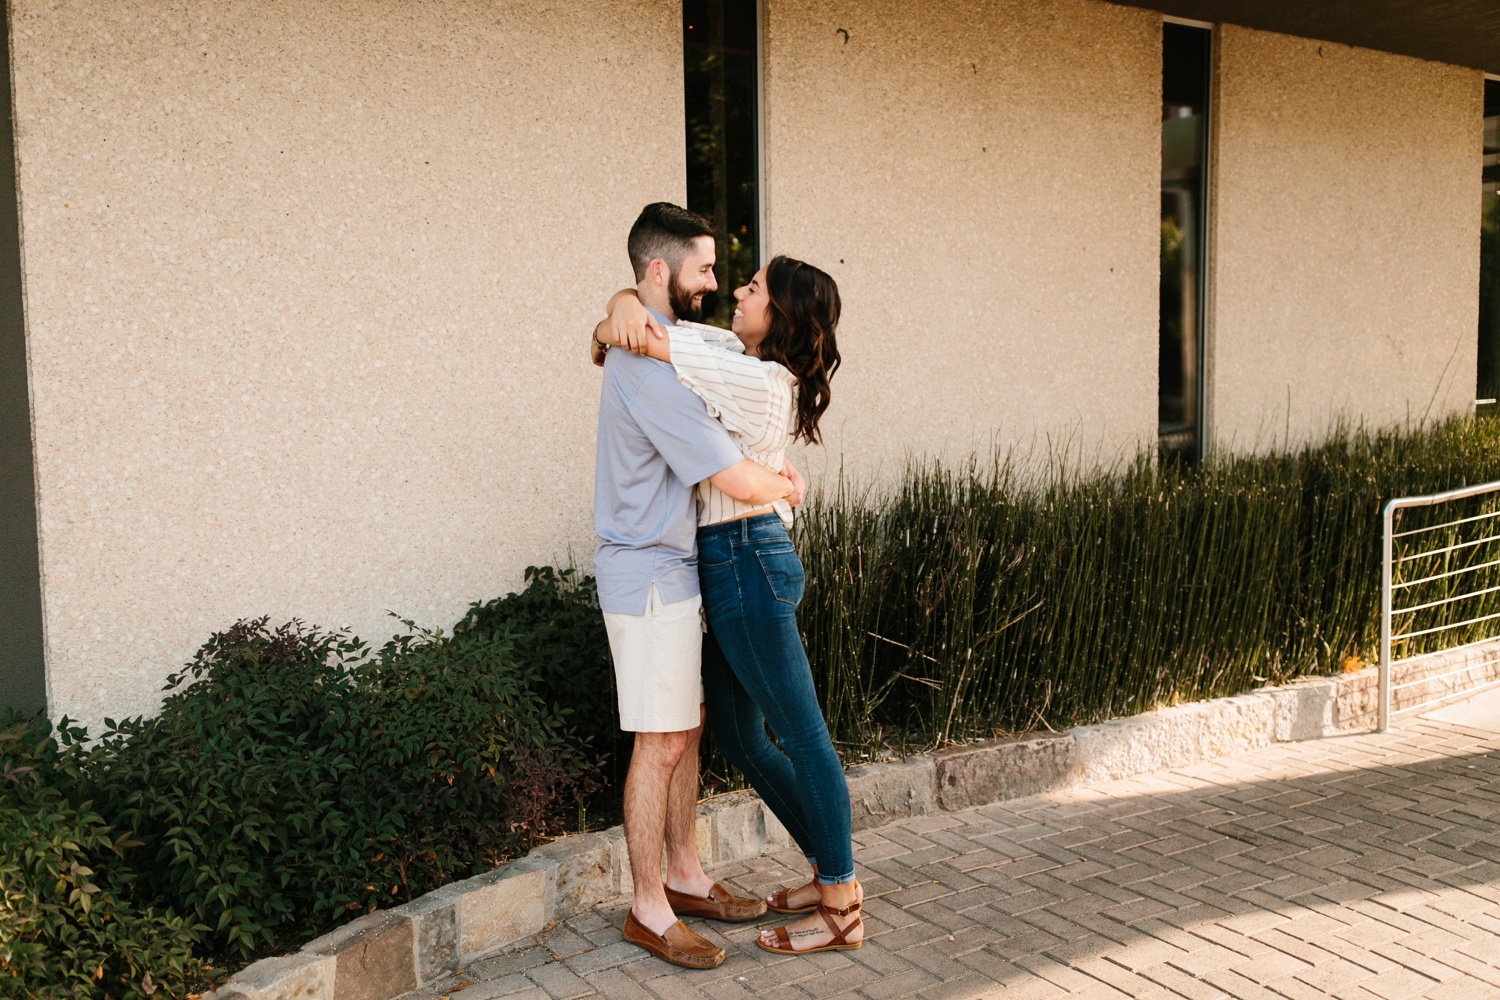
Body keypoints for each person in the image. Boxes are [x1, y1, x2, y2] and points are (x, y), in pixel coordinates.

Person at [594, 253, 860, 955]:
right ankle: (828, 871)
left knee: (802, 734)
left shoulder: (751, 374)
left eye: (752, 288)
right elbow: (625, 327)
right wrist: (623, 298)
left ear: (780, 316)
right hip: (728, 562)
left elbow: (642, 337)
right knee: (740, 736)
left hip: (746, 558)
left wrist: (778, 490)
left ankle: (839, 897)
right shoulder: (726, 351)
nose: (736, 291)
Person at [592, 203, 793, 969]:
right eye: (703, 268)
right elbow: (728, 474)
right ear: (657, 271)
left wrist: (613, 310)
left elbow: (616, 328)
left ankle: (683, 874)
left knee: (689, 723)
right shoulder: (651, 370)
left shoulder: (663, 342)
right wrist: (782, 485)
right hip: (648, 572)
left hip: (669, 567)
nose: (713, 281)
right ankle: (648, 908)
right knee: (661, 737)